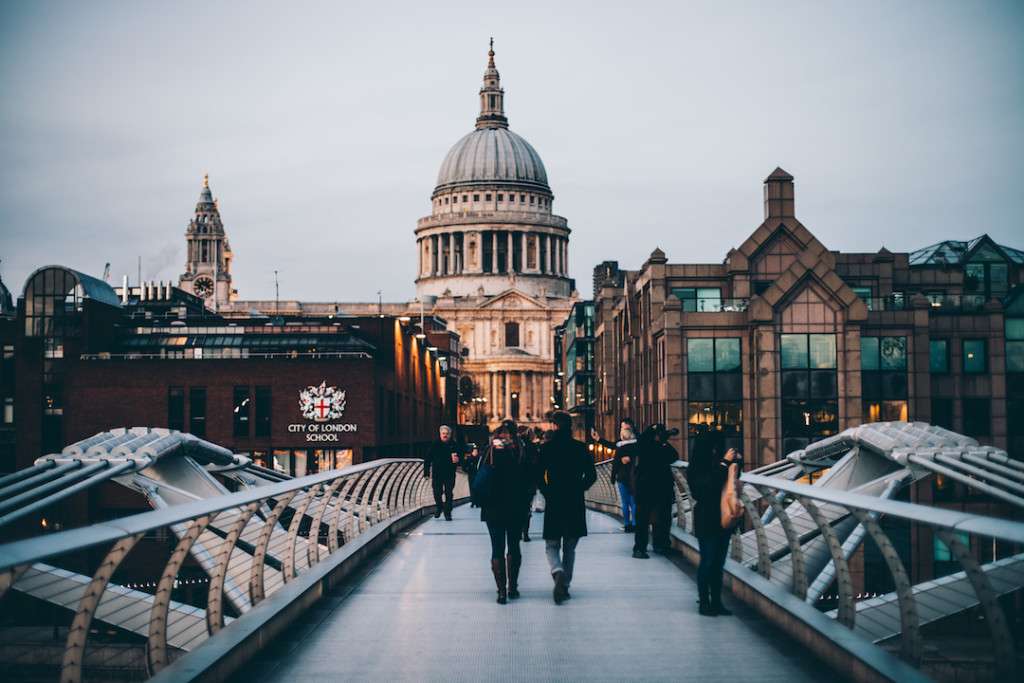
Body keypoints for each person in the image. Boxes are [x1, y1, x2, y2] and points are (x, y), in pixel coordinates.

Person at [539, 410, 597, 604]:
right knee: (570, 547)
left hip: (555, 501)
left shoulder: (547, 448)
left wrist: (547, 492)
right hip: (574, 501)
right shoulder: (580, 448)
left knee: (551, 544)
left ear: (554, 426)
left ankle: (557, 572)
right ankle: (565, 585)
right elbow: (591, 476)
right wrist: (579, 488)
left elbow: (538, 475)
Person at [480, 420, 532, 604]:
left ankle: (501, 591)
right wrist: (527, 502)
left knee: (497, 548)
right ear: (515, 434)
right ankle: (513, 587)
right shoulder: (521, 450)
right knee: (514, 546)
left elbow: (479, 476)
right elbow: (531, 479)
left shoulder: (490, 451)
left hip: (492, 507)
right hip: (516, 507)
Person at [687, 429, 737, 616]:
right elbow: (703, 489)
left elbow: (731, 482)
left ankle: (716, 601)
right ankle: (704, 602)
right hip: (707, 517)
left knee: (718, 563)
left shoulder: (719, 463)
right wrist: (724, 464)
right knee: (707, 561)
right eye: (714, 446)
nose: (716, 450)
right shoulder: (696, 467)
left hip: (723, 518)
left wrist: (733, 462)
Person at [632, 423, 679, 559]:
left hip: (656, 488)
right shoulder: (645, 445)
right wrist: (661, 442)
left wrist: (662, 442)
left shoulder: (656, 445)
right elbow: (671, 456)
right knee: (645, 519)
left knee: (661, 518)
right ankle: (643, 547)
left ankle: (656, 546)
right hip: (649, 488)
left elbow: (674, 456)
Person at [591, 419, 639, 532]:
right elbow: (612, 446)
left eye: (624, 427)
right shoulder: (631, 444)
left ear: (630, 428)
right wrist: (598, 439)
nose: (622, 429)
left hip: (627, 476)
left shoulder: (625, 445)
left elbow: (615, 452)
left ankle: (629, 524)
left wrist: (629, 459)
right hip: (629, 477)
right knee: (630, 502)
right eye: (622, 427)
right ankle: (633, 524)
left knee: (628, 502)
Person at [423, 425, 462, 520]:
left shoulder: (454, 445)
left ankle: (447, 512)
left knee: (449, 493)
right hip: (437, 474)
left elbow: (460, 457)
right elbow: (427, 459)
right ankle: (439, 507)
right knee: (437, 492)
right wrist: (426, 473)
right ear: (440, 434)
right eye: (443, 433)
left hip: (449, 473)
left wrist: (458, 460)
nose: (445, 435)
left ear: (450, 435)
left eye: (447, 434)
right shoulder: (435, 444)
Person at [518, 425, 540, 541]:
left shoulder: (514, 446)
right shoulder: (532, 447)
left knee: (516, 508)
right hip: (529, 483)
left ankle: (517, 531)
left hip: (515, 483)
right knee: (527, 508)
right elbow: (537, 465)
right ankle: (525, 533)